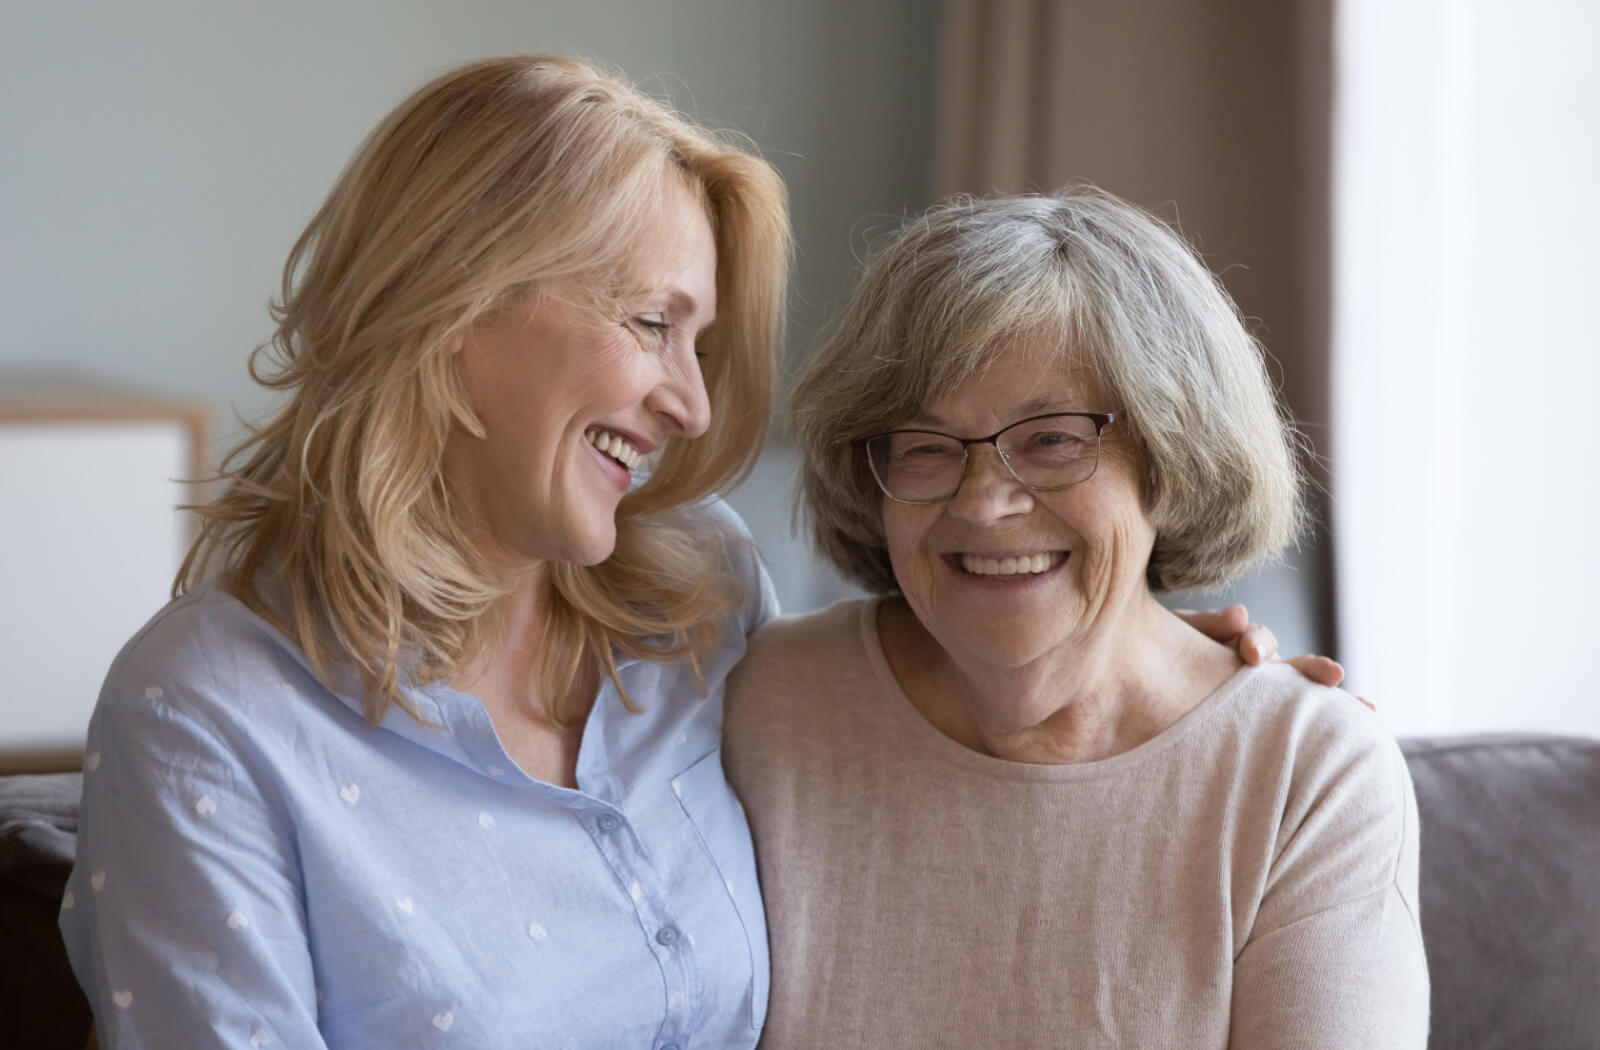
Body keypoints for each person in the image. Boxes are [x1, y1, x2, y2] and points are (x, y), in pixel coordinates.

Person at [60, 58, 1332, 1048]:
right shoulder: (206, 713)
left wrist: (1169, 676)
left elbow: (918, 724)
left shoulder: (698, 601)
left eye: (700, 344)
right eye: (653, 323)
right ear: (454, 309)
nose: (692, 404)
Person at [724, 187, 1429, 1047]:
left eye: (1054, 438)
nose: (983, 503)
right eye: (924, 445)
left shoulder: (1304, 777)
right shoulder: (758, 704)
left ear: (1171, 459)